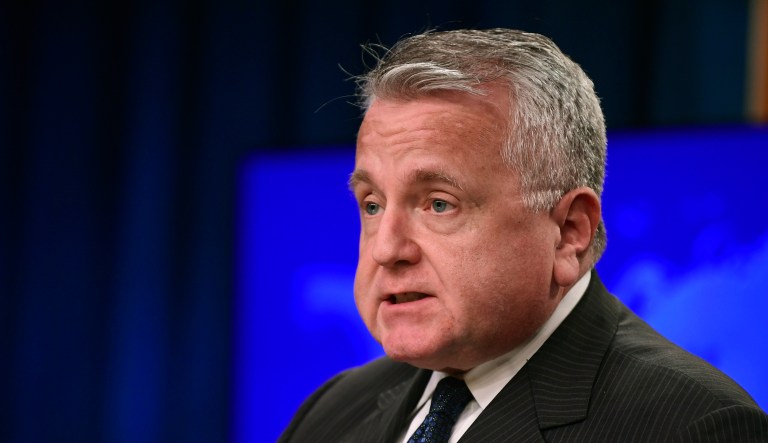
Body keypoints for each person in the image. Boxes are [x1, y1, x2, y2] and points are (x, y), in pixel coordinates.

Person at [278, 28, 768, 442]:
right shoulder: (331, 413)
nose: (387, 249)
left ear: (569, 232)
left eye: (439, 203)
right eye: (372, 204)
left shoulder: (693, 426)